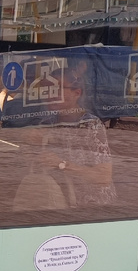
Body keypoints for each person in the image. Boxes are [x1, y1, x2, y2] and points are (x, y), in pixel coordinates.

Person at [21, 60, 116, 208]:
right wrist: (28, 145)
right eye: (47, 89)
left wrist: (61, 164)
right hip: (55, 201)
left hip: (92, 207)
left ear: (77, 93)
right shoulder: (47, 123)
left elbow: (103, 177)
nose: (50, 94)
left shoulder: (91, 125)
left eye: (57, 89)